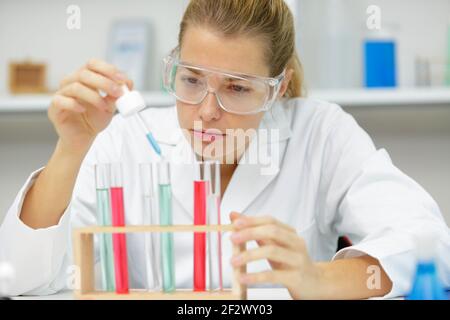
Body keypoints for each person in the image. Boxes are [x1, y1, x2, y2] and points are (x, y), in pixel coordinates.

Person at [0, 0, 449, 299]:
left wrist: (318, 279)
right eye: (192, 79)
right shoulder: (125, 140)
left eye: (237, 88)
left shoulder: (320, 134)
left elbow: (430, 244)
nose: (207, 111)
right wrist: (70, 149)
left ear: (279, 87)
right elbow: (20, 279)